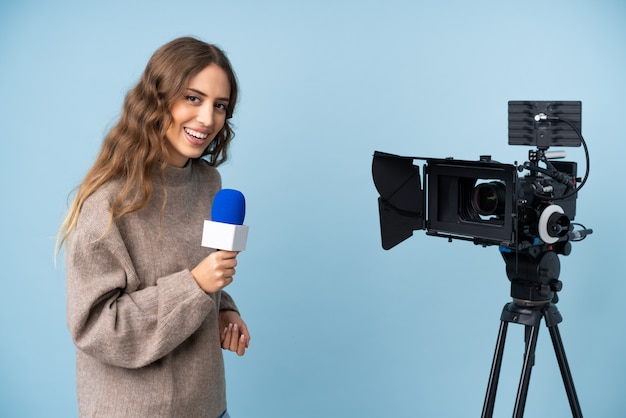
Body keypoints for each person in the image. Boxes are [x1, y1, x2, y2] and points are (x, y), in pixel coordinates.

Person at [56, 37, 250, 418]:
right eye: (192, 98)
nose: (208, 118)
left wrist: (222, 308)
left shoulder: (209, 183)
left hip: (210, 406)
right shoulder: (108, 204)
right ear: (157, 100)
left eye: (220, 106)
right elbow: (96, 327)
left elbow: (203, 270)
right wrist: (195, 286)